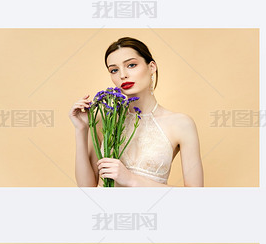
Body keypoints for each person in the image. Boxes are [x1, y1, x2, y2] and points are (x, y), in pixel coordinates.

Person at [69, 37, 204, 187]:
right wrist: (81, 129)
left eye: (131, 65)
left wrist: (131, 179)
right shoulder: (104, 120)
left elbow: (195, 195)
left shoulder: (181, 124)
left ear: (151, 67)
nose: (122, 75)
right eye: (114, 70)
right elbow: (86, 188)